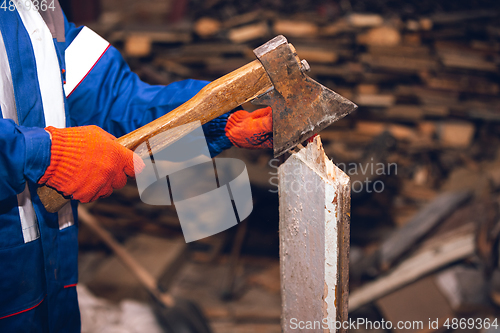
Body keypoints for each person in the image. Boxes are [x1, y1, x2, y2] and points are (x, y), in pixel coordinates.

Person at [0, 2, 272, 332]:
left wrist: (219, 121)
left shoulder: (36, 8)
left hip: (45, 282)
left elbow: (112, 99)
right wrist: (42, 155)